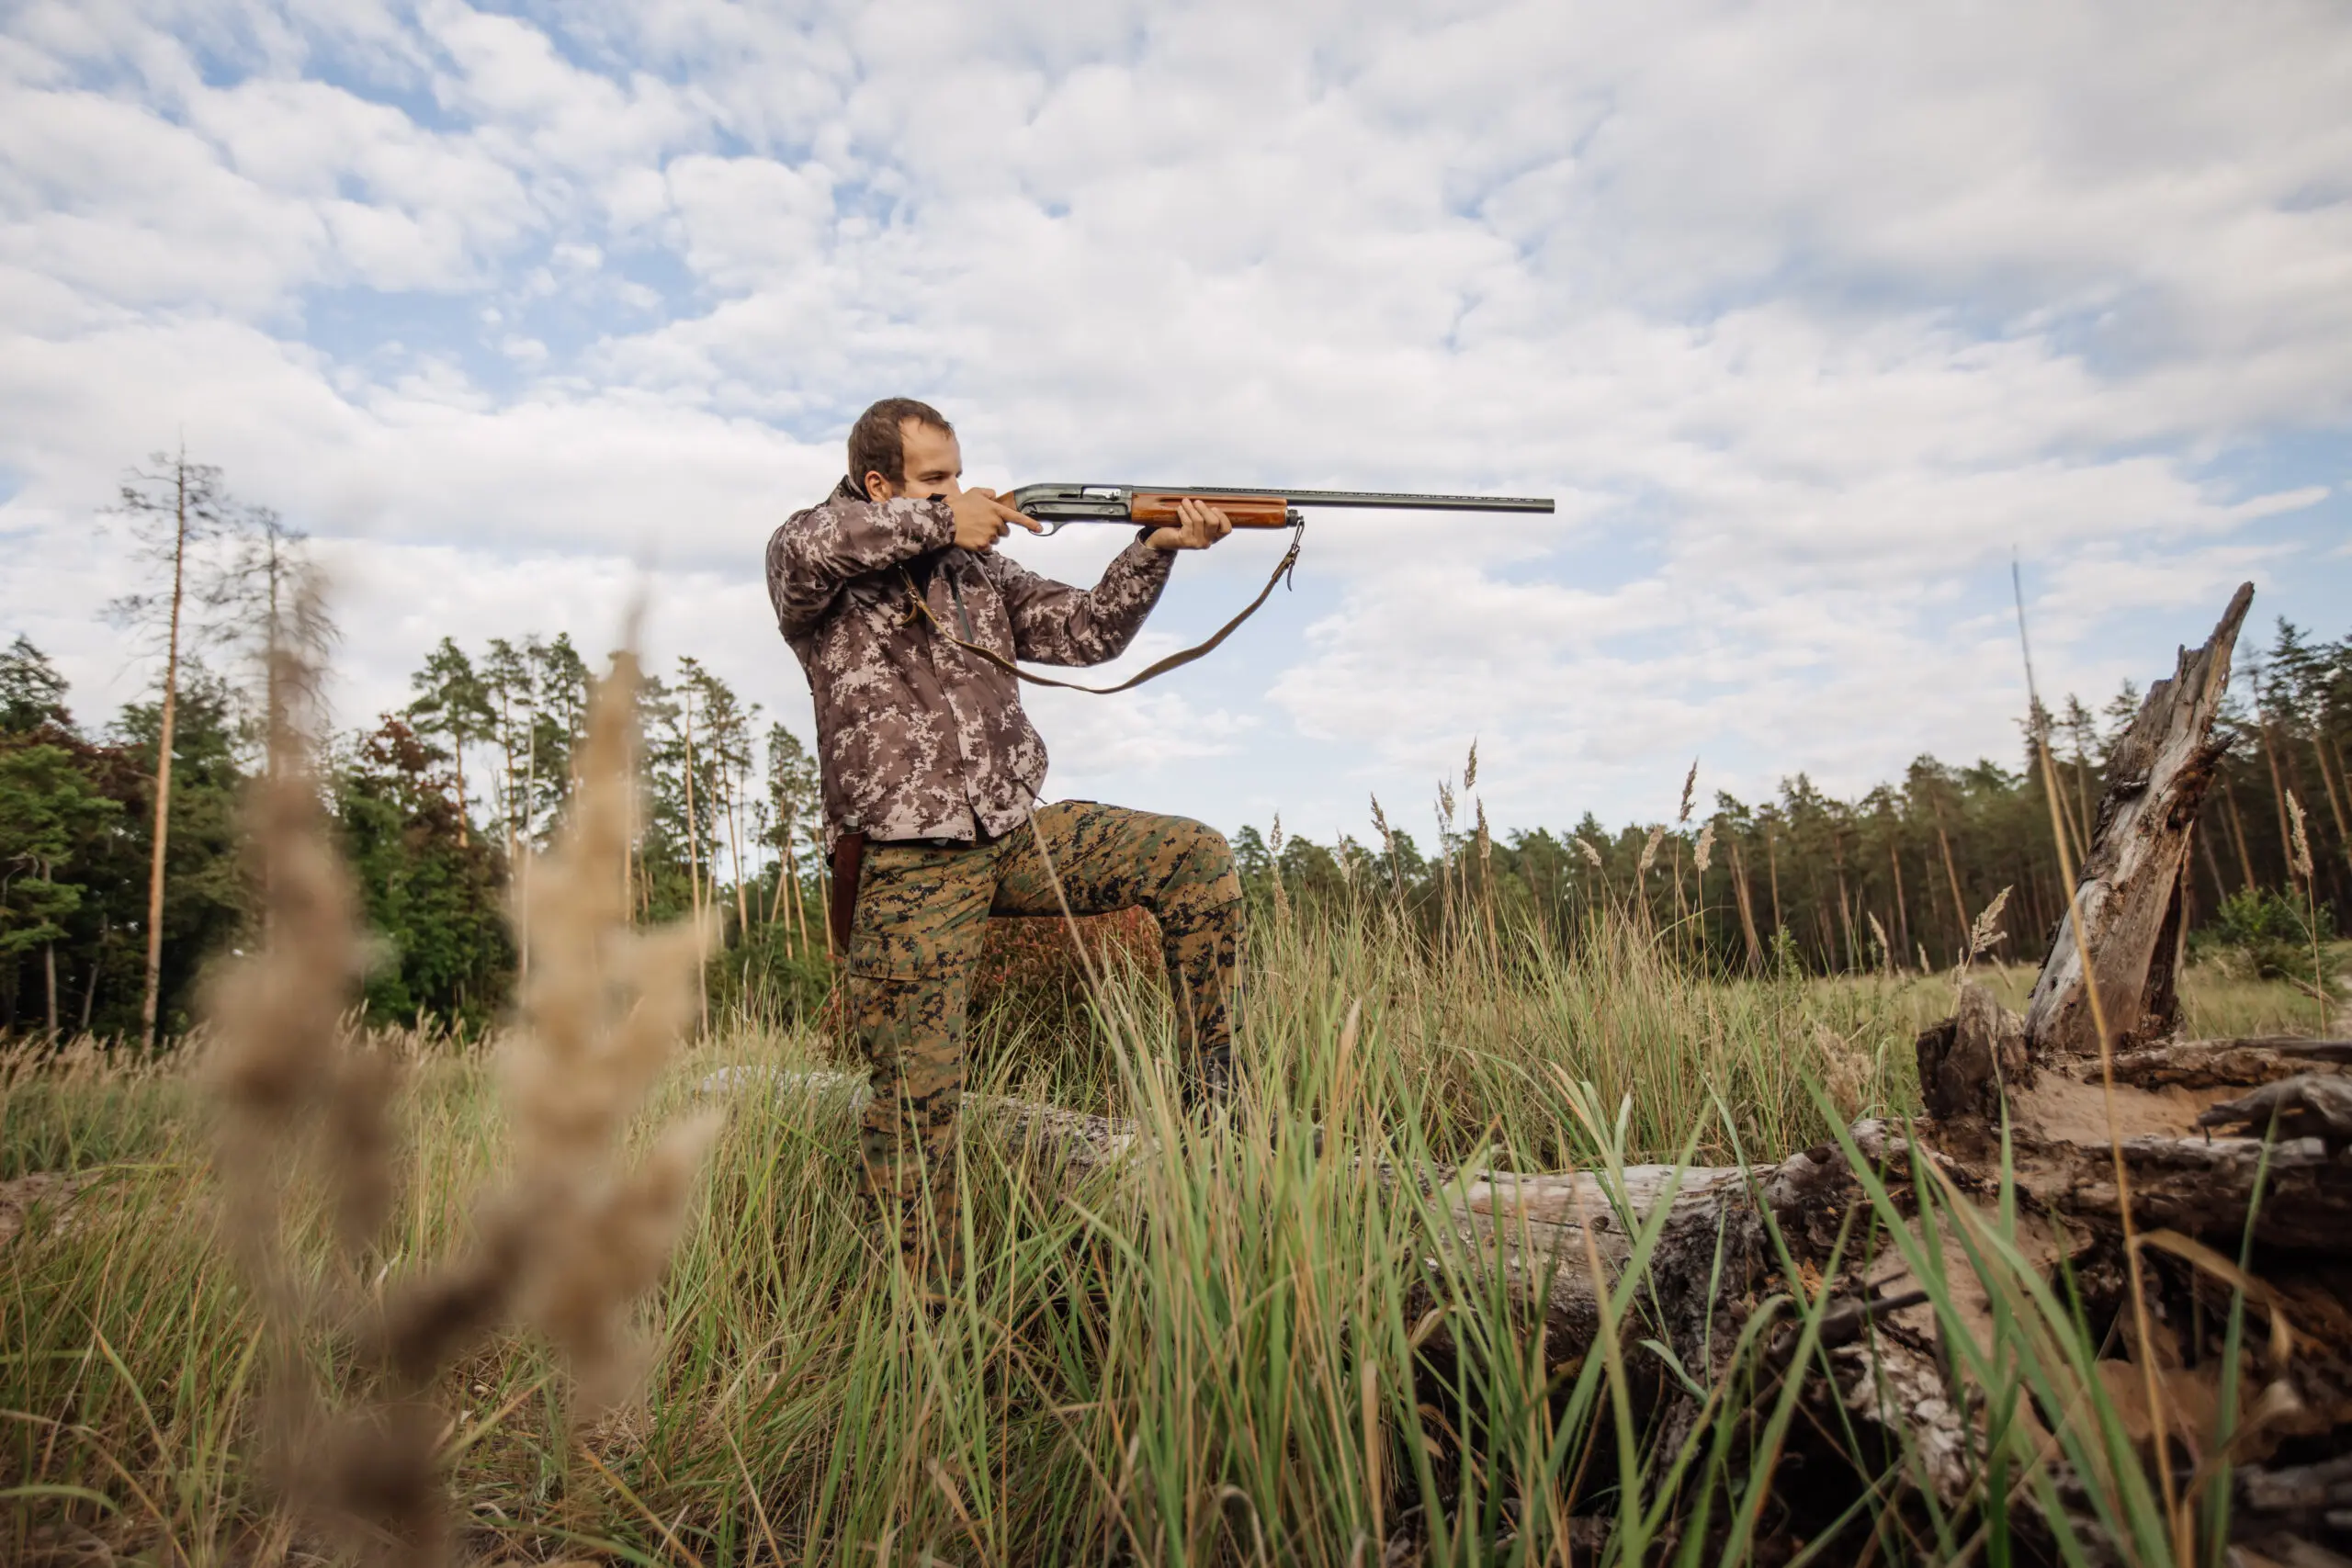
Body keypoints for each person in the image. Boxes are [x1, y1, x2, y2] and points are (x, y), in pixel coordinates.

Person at [765, 396, 1245, 1280]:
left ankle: (1217, 1110)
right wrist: (949, 516)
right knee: (916, 1109)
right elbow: (808, 544)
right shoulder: (816, 563)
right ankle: (922, 1329)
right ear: (880, 484)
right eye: (934, 477)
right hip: (910, 860)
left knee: (1197, 858)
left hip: (1015, 833)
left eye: (958, 471)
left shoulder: (976, 572)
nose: (959, 489)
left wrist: (1153, 551)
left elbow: (1086, 631)